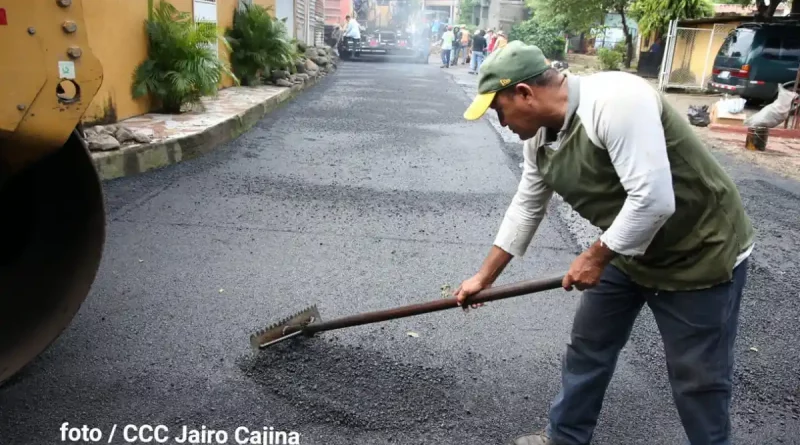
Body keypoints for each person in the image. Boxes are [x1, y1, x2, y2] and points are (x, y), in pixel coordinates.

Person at [459, 40, 754, 445]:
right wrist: (484, 277)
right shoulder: (539, 137)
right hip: (628, 249)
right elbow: (527, 206)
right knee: (588, 346)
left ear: (524, 94)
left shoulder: (616, 101)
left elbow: (653, 200)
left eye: (499, 109)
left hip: (700, 250)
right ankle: (565, 438)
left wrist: (596, 256)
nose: (501, 121)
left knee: (698, 377)